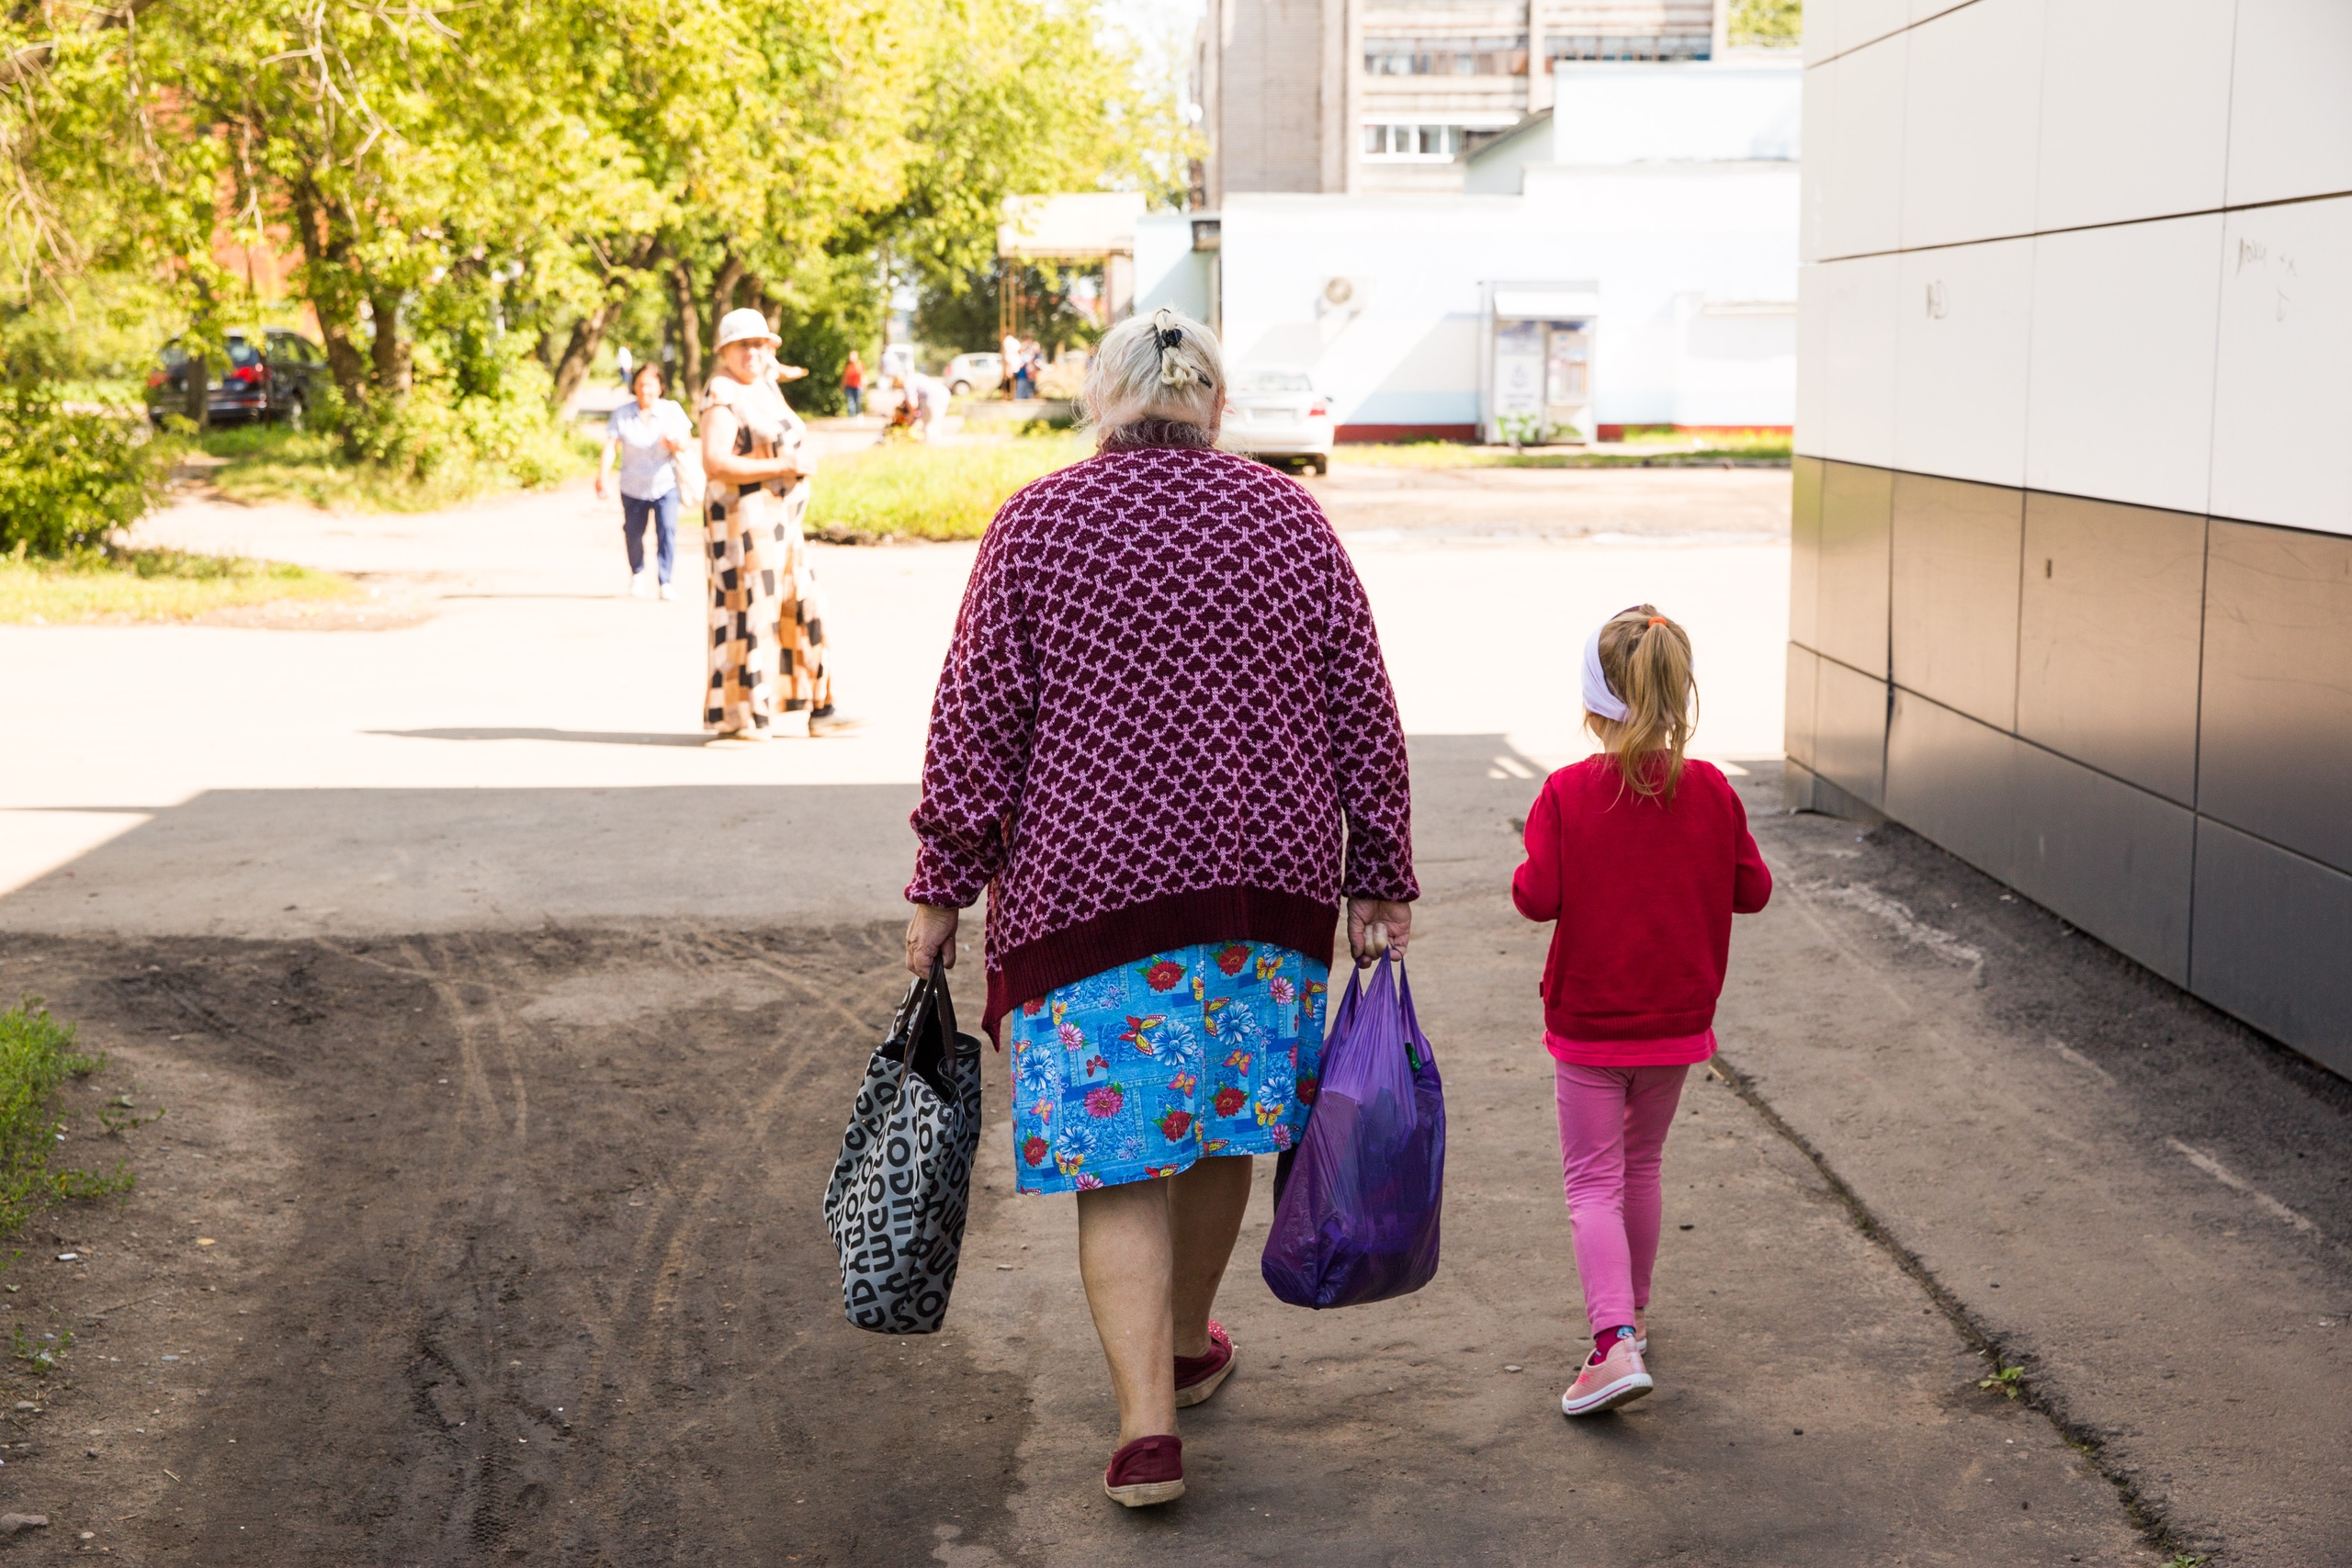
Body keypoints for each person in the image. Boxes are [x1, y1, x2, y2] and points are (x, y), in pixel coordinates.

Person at [902, 305, 1417, 1508]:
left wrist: (938, 886)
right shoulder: (1289, 516)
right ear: (1217, 403)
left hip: (1090, 895)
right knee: (1226, 1127)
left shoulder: (1035, 521)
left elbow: (977, 720)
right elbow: (1363, 709)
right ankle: (1187, 1341)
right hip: (1262, 882)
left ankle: (1145, 1426)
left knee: (1121, 1162)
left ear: (1102, 399)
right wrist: (1379, 873)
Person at [1509, 604, 1773, 1418]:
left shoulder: (1565, 792)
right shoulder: (1714, 789)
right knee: (1642, 1166)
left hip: (1590, 1023)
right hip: (1677, 1021)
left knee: (1592, 1181)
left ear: (1595, 706)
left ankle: (1611, 1339)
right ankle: (1637, 1317)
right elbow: (1753, 890)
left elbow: (1535, 896)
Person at [697, 307, 839, 739]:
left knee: (806, 606)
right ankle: (743, 715)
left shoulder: (762, 385)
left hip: (782, 526)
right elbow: (714, 461)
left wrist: (775, 363)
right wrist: (785, 462)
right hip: (743, 527)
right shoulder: (722, 391)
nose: (753, 354)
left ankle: (819, 707)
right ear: (724, 351)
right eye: (743, 346)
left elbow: (771, 368)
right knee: (749, 614)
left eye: (760, 344)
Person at [595, 362, 692, 600]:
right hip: (633, 486)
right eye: (640, 385)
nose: (645, 390)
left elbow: (687, 440)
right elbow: (611, 446)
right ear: (634, 387)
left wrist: (676, 443)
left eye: (650, 385)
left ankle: (665, 581)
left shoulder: (672, 410)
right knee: (633, 533)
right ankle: (637, 573)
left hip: (665, 484)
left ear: (660, 387)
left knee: (667, 530)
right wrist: (602, 476)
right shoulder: (622, 414)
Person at [842, 350, 865, 418]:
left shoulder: (860, 365)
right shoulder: (848, 366)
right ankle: (851, 416)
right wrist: (842, 385)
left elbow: (863, 376)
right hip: (849, 386)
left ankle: (859, 414)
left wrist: (863, 386)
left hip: (858, 386)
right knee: (850, 402)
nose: (851, 357)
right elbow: (845, 376)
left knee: (858, 402)